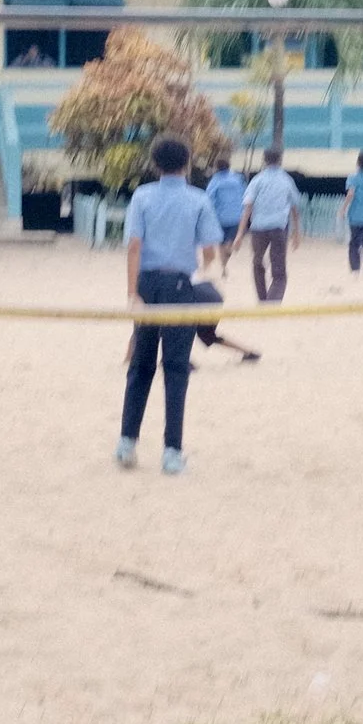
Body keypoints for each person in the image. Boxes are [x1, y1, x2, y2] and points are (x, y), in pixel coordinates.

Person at [116, 136, 228, 475]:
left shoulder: (142, 196)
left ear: (155, 164)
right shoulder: (197, 199)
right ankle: (171, 452)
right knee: (176, 369)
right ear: (187, 163)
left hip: (148, 284)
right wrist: (205, 275)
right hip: (180, 285)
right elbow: (210, 253)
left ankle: (127, 444)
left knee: (141, 366)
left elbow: (133, 246)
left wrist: (132, 292)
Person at [230, 146, 303, 302]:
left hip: (258, 228)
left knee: (257, 262)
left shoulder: (257, 180)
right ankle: (273, 301)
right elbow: (295, 209)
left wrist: (239, 234)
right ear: (281, 160)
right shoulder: (286, 180)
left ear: (264, 160)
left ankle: (263, 299)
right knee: (279, 269)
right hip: (279, 228)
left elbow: (247, 208)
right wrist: (297, 233)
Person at [204, 161, 248, 264]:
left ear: (216, 168)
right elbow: (245, 194)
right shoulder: (238, 179)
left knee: (221, 242)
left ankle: (223, 265)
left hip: (220, 217)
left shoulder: (215, 180)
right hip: (237, 216)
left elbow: (209, 198)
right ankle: (229, 247)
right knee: (230, 240)